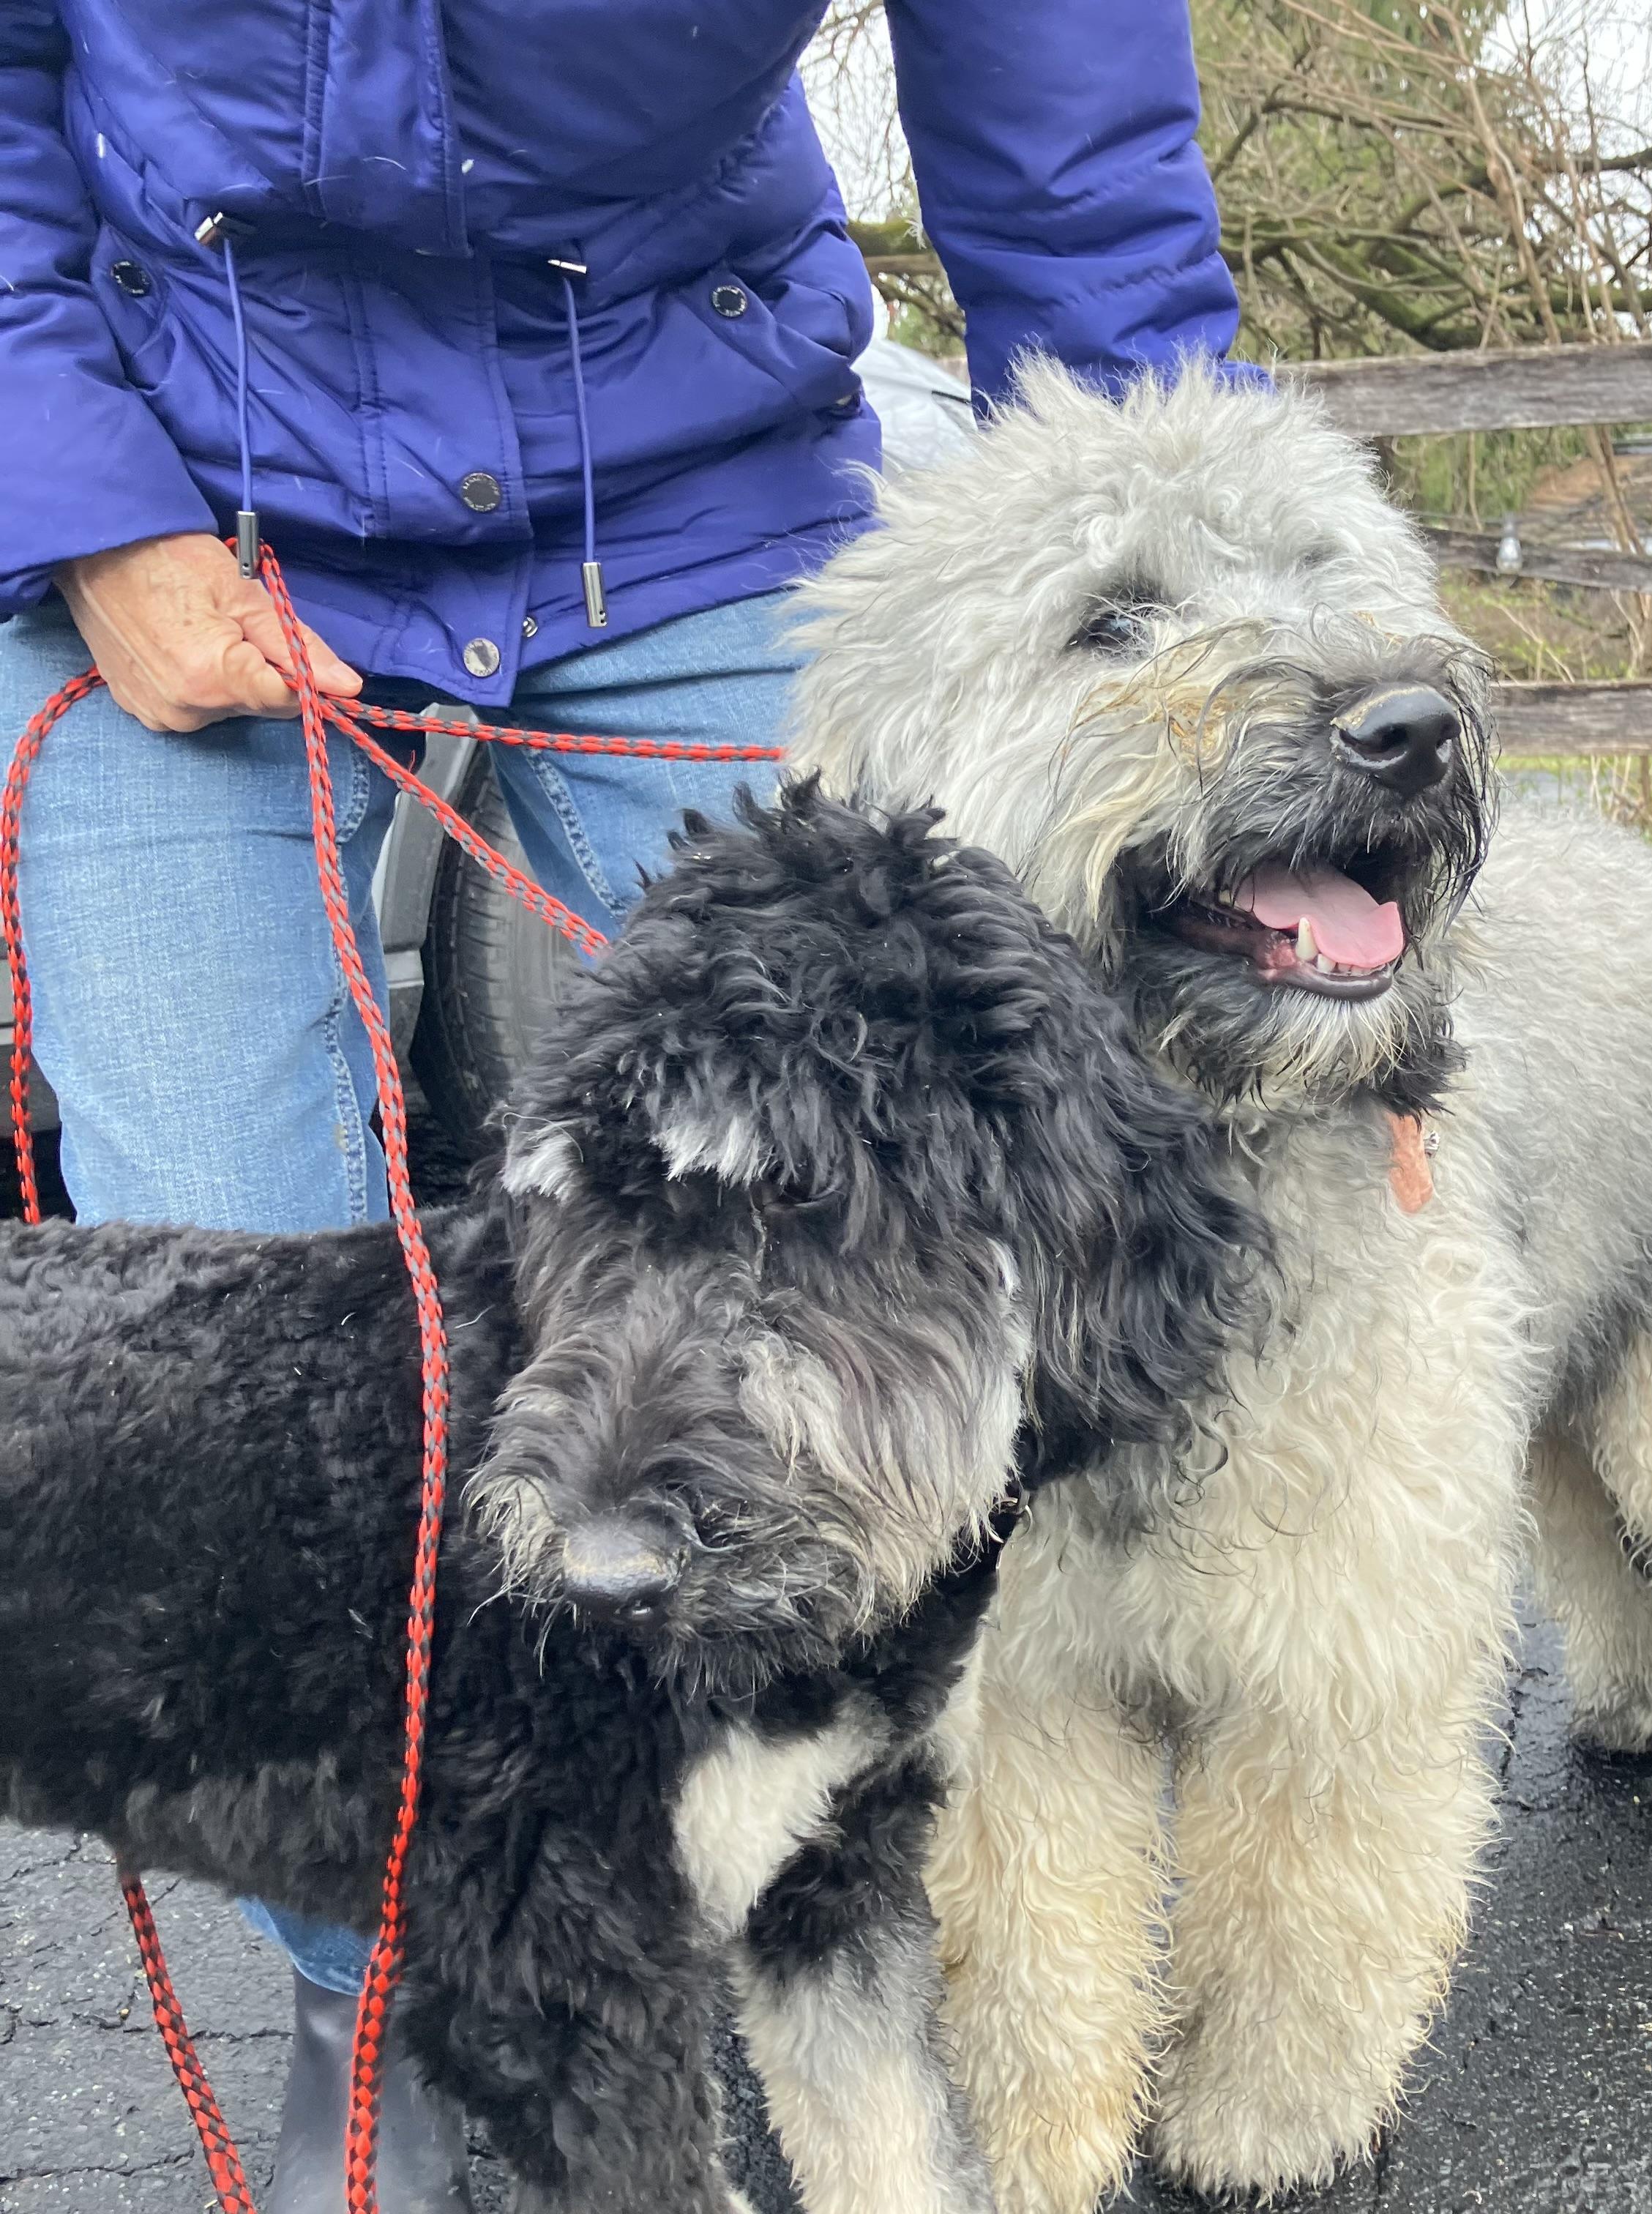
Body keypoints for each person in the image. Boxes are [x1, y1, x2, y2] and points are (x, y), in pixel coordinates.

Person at [0, 6, 1257, 2206]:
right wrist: (79, 495)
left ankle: (804, 1885)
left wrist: (1260, 763)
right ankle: (406, 1980)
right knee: (237, 1307)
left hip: (686, 467)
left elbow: (1077, 176)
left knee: (930, 1217)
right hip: (161, 455)